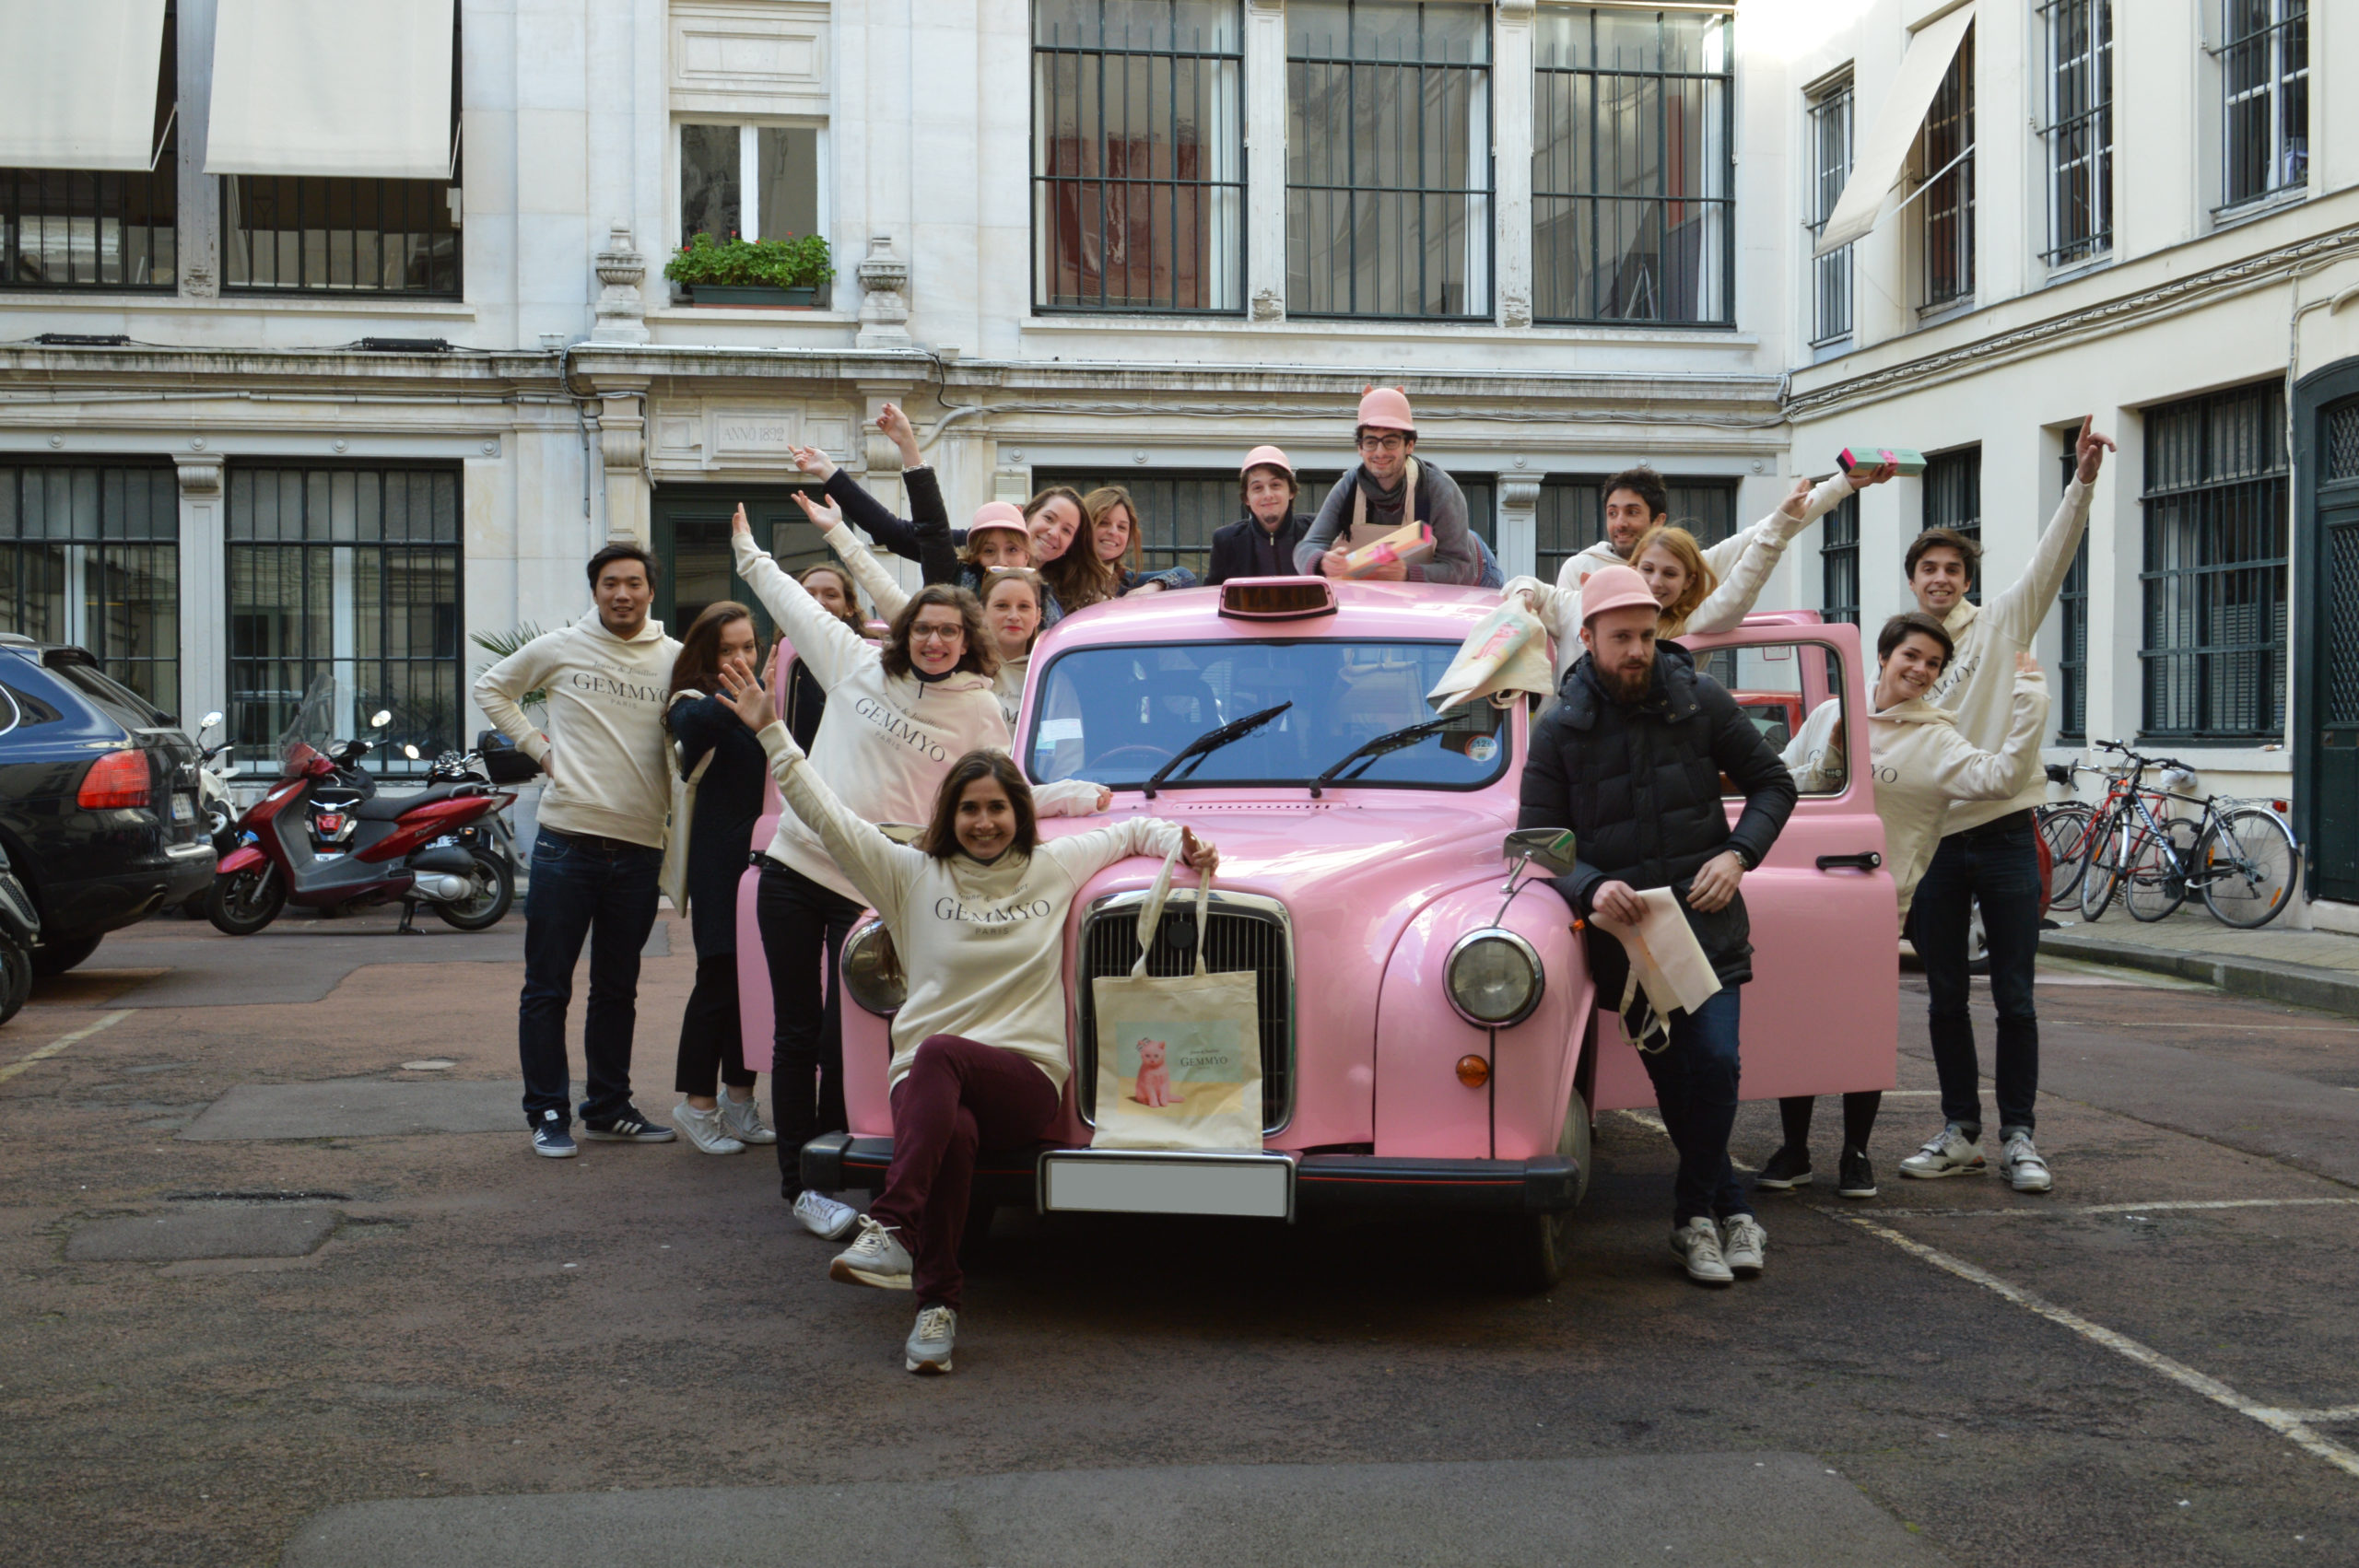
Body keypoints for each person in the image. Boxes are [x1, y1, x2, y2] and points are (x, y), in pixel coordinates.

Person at [718, 652, 1218, 1375]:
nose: (984, 823)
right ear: (948, 816)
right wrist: (773, 733)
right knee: (951, 1126)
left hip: (1024, 1079)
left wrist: (1185, 846)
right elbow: (825, 814)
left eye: (997, 808)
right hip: (928, 1091)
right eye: (970, 809)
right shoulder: (908, 874)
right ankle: (937, 1310)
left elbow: (1139, 831)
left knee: (939, 1051)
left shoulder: (1052, 866)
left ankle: (893, 1224)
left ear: (1020, 813)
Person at [727, 506, 1105, 1238]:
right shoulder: (853, 660)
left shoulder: (978, 709)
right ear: (905, 633)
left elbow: (1008, 790)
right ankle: (799, 1186)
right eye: (924, 629)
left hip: (873, 886)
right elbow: (791, 602)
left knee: (846, 1036)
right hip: (796, 867)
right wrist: (748, 550)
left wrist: (1075, 795)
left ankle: (843, 1165)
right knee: (795, 1033)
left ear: (967, 640)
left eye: (949, 632)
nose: (935, 641)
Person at [1516, 564, 1797, 1286]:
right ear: (1587, 638)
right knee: (1677, 1079)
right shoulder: (1558, 725)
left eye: (1646, 635)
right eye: (1621, 638)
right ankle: (1726, 1212)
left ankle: (1691, 1213)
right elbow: (1538, 840)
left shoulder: (1701, 698)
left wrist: (1739, 855)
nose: (1637, 650)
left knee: (1718, 1063)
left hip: (1708, 925)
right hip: (1629, 942)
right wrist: (1590, 885)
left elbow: (1775, 783)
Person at [1760, 615, 2048, 1199]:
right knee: (1801, 1020)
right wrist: (1829, 760)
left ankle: (1856, 1153)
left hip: (1874, 906)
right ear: (1884, 656)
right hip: (1806, 897)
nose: (1920, 670)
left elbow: (2000, 779)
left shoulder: (1936, 738)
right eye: (1911, 656)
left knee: (1859, 1028)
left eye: (1933, 664)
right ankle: (1794, 1149)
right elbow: (1780, 782)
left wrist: (2030, 707)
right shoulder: (1829, 715)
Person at [1897, 415, 2114, 1193]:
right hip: (1935, 845)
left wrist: (2081, 481)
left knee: (2016, 997)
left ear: (1967, 579)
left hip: (2007, 834)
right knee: (1945, 997)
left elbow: (2053, 558)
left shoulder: (2000, 624)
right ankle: (1960, 1131)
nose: (1941, 578)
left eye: (1953, 568)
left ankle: (2021, 1136)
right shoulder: (1902, 653)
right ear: (1913, 579)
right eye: (1929, 568)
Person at [476, 542, 683, 1158]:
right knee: (548, 987)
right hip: (567, 843)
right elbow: (492, 688)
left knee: (617, 989)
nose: (622, 594)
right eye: (610, 583)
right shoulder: (563, 646)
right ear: (595, 591)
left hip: (640, 848)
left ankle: (608, 1108)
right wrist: (541, 751)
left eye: (634, 583)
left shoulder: (674, 659)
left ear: (651, 591)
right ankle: (546, 1112)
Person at [1514, 467, 1893, 691]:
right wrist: (1523, 592)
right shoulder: (1580, 570)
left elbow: (1763, 537)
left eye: (1632, 512)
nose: (1620, 523)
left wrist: (1842, 484)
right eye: (1612, 512)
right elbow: (1545, 609)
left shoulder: (1695, 579)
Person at [662, 602, 781, 1155]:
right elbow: (694, 726)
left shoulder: (768, 699)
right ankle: (696, 1105)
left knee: (754, 984)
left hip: (767, 858)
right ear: (705, 654)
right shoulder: (691, 703)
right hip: (718, 862)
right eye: (726, 649)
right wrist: (753, 693)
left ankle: (739, 1099)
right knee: (718, 978)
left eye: (748, 647)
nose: (740, 658)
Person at [1294, 388, 1486, 586]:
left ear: (1409, 445)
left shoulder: (1439, 490)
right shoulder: (1349, 487)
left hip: (1478, 572)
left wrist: (1407, 574)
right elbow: (1306, 547)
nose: (1380, 452)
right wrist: (1322, 562)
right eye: (1371, 442)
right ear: (1360, 448)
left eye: (1390, 442)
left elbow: (1459, 568)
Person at [783, 561, 871, 752]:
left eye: (831, 595)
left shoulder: (867, 659)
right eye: (808, 594)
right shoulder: (783, 660)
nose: (818, 602)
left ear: (849, 607)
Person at [1206, 446, 1313, 584]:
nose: (1267, 495)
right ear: (1246, 498)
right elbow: (1214, 593)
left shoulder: (1316, 531)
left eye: (1275, 485)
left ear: (1291, 491)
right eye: (1257, 488)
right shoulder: (1225, 541)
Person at [1082, 486, 1197, 596]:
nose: (1113, 532)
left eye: (1122, 527)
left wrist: (1154, 586)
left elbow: (1185, 575)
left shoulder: (1126, 582)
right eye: (1103, 523)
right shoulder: (1070, 580)